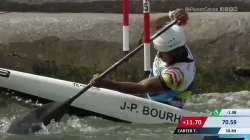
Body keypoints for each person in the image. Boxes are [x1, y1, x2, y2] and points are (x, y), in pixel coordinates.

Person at [90, 8, 196, 109]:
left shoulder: (177, 75)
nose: (159, 55)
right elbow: (148, 23)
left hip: (168, 107)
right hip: (154, 96)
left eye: (162, 54)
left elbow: (141, 87)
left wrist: (106, 84)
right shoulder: (176, 42)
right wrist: (170, 15)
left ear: (175, 54)